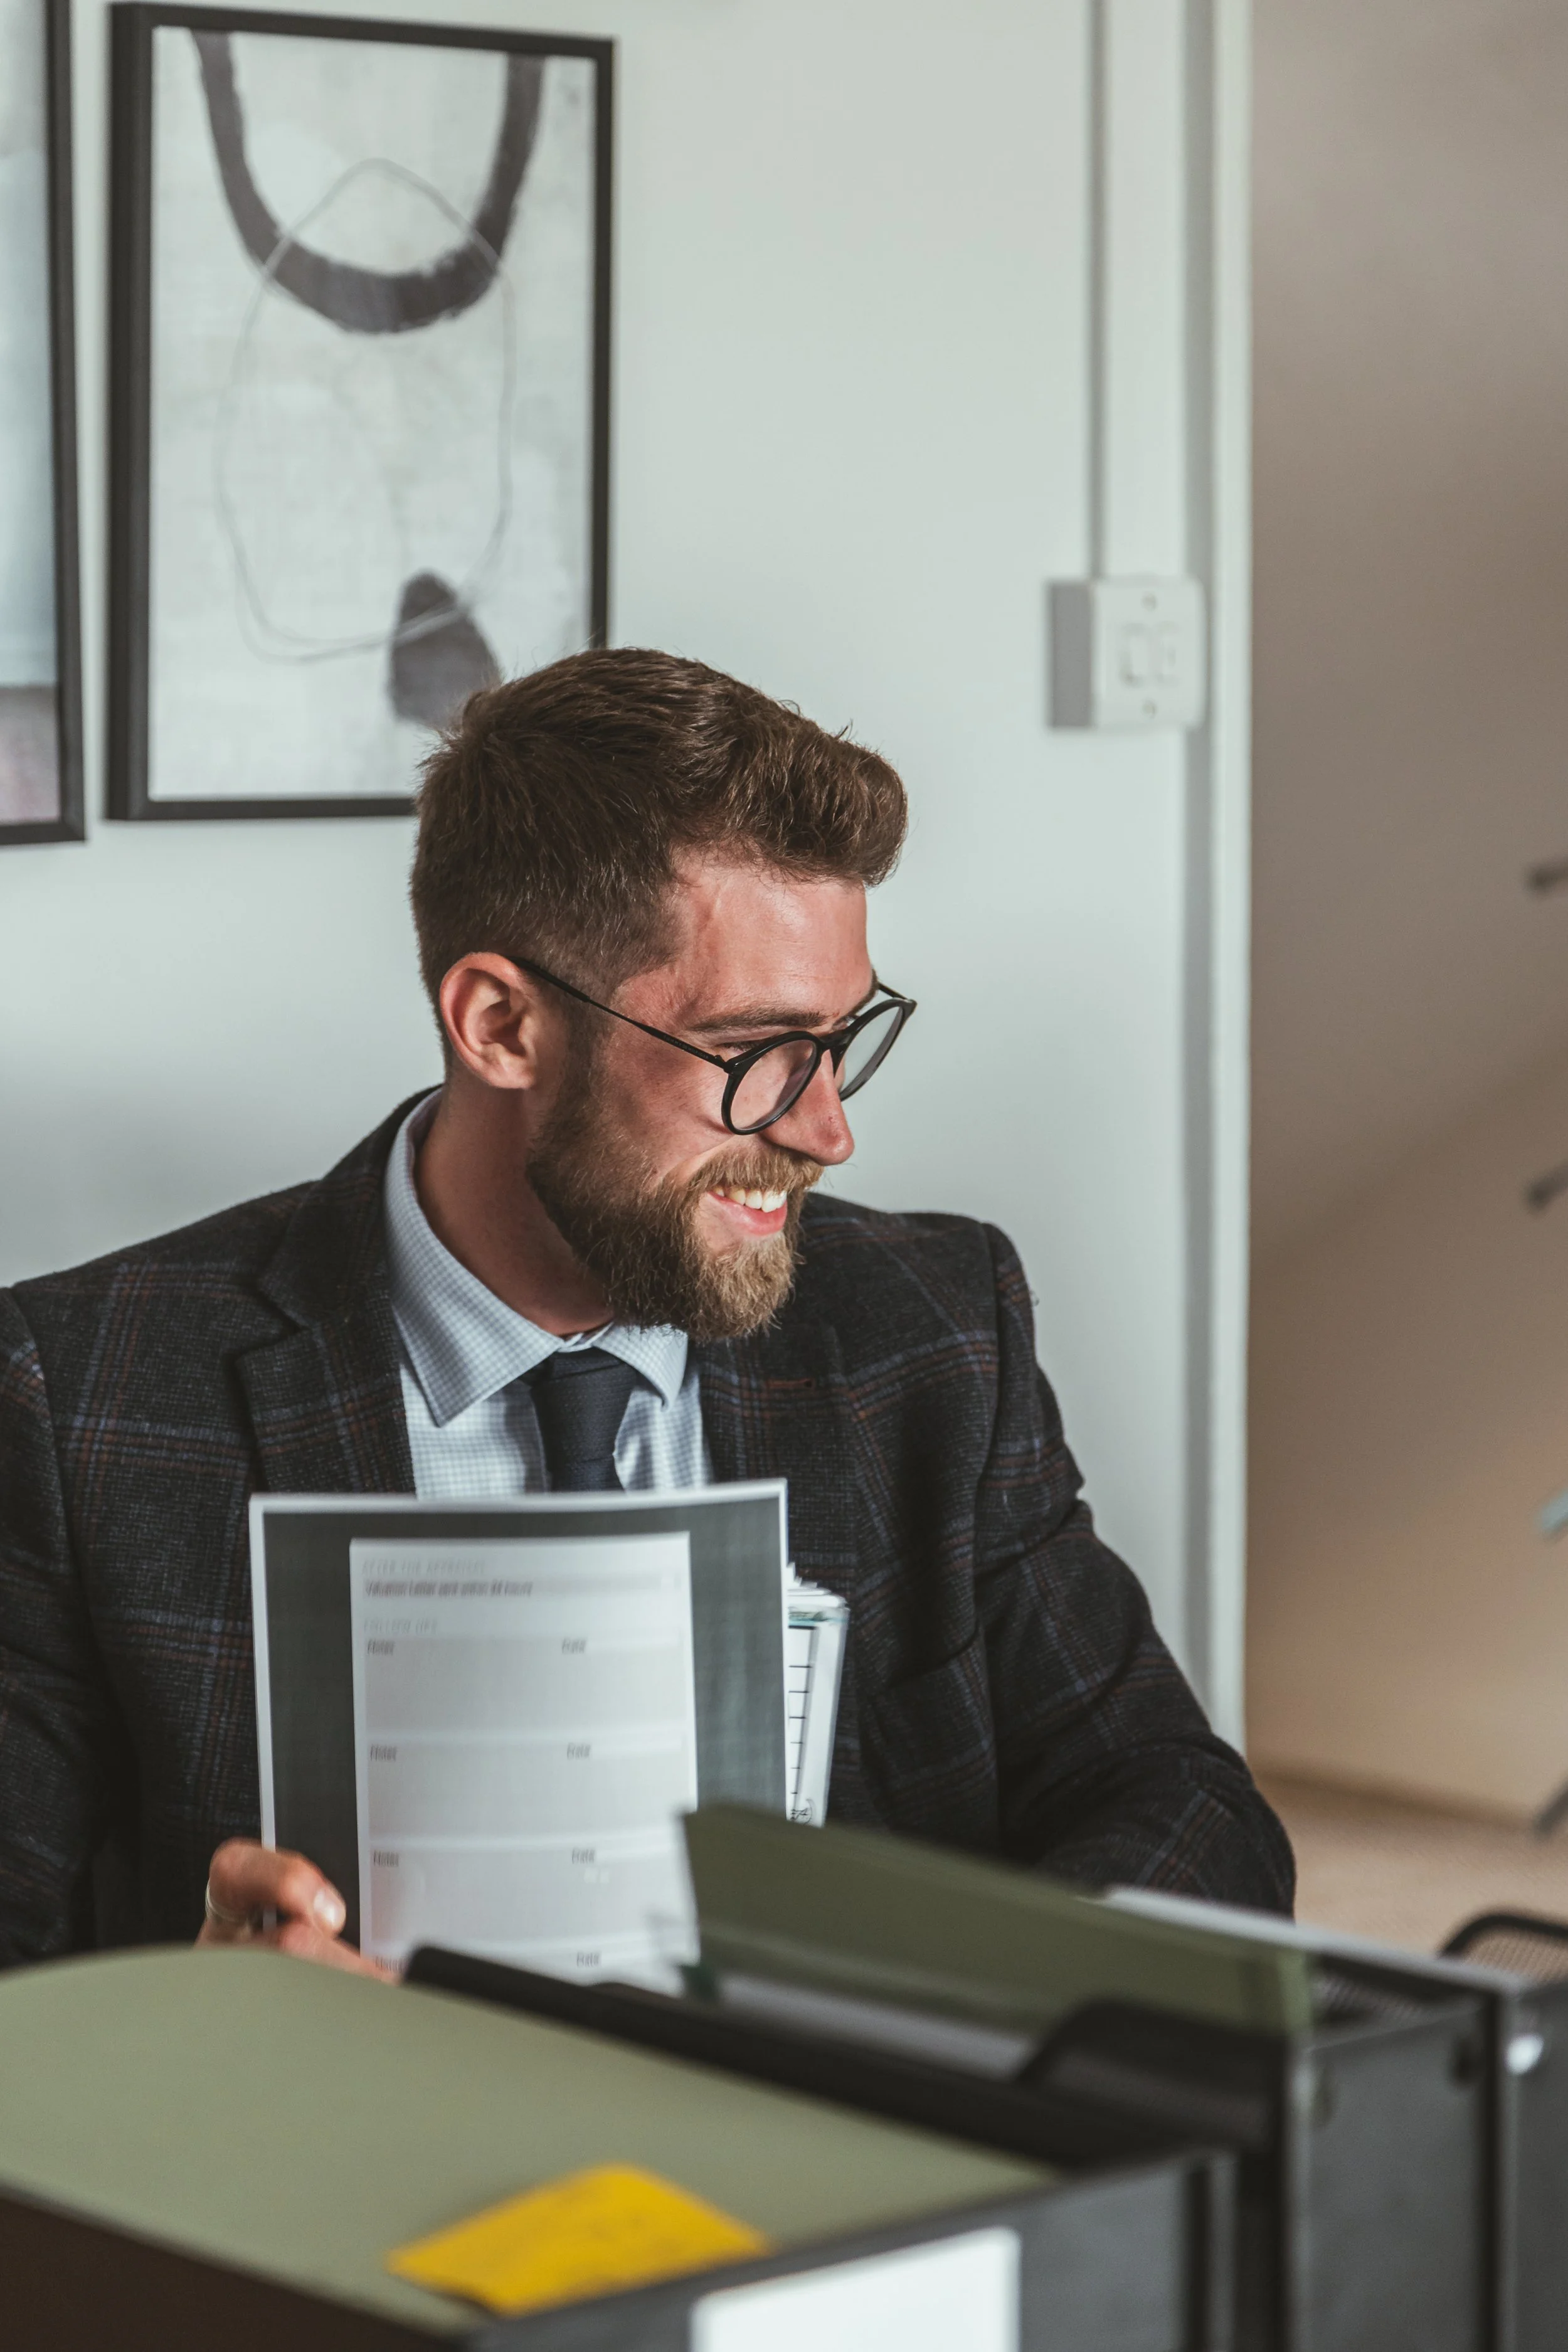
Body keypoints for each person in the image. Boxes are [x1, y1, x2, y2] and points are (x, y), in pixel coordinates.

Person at [0, 650, 1293, 1974]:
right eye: (752, 1054)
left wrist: (959, 2015)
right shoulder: (82, 1395)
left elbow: (1189, 1811)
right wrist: (188, 2007)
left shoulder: (934, 1331)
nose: (826, 1131)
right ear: (501, 1026)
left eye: (839, 1042)